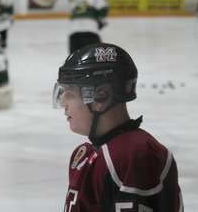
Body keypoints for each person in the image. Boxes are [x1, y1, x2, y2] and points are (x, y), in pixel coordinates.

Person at [53, 43, 184, 211]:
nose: (63, 103)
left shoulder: (135, 155)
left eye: (70, 94)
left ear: (101, 96)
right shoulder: (86, 154)